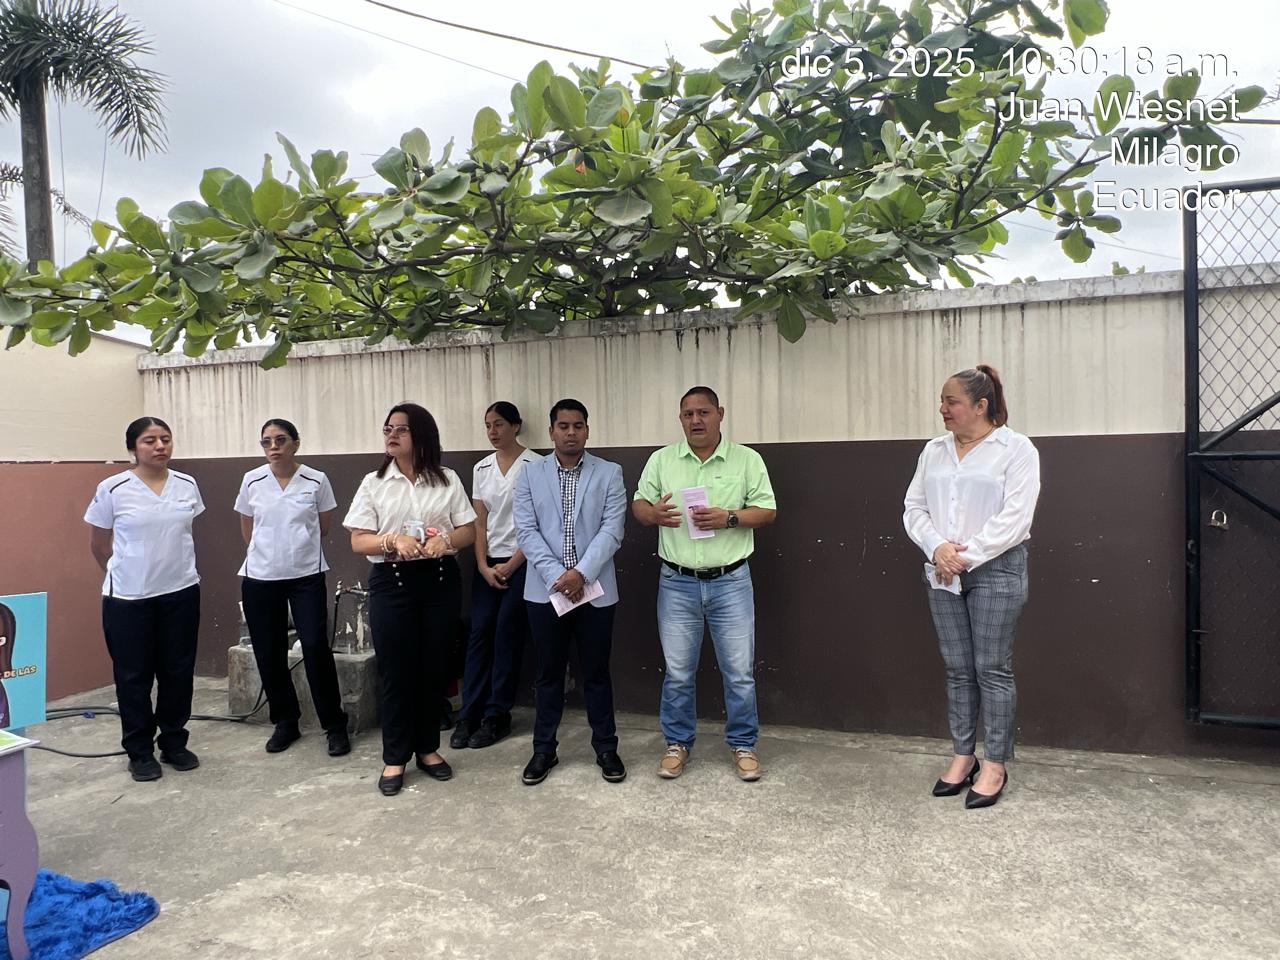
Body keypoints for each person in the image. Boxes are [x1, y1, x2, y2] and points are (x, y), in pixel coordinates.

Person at [903, 365, 1041, 809]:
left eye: (952, 402)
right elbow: (914, 507)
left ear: (981, 406)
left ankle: (995, 763)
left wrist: (963, 556)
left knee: (992, 668)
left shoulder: (1015, 449)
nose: (942, 409)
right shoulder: (934, 450)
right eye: (942, 401)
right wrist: (938, 547)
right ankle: (963, 755)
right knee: (958, 668)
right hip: (942, 569)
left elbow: (1016, 517)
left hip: (995, 570)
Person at [632, 386, 777, 782]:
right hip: (677, 583)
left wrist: (729, 517)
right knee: (678, 672)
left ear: (720, 414)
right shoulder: (662, 460)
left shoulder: (747, 459)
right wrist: (652, 514)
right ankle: (677, 744)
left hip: (731, 582)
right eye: (688, 414)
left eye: (704, 412)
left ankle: (743, 745)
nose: (696, 420)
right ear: (680, 419)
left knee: (739, 672)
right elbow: (639, 504)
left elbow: (767, 510)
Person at [343, 403, 477, 796]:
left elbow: (469, 530)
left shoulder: (446, 479)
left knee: (433, 668)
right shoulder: (374, 483)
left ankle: (428, 749)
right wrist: (391, 541)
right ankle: (395, 757)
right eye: (388, 429)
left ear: (421, 435)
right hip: (393, 582)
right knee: (396, 672)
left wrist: (445, 539)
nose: (392, 435)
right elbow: (358, 540)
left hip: (440, 581)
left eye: (400, 429)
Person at [512, 399, 627, 786]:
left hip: (596, 591)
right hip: (545, 592)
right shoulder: (530, 474)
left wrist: (581, 574)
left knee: (597, 673)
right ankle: (544, 749)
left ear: (587, 430)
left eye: (578, 425)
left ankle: (606, 748)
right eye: (563, 426)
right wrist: (559, 577)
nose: (571, 433)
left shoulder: (609, 472)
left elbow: (612, 530)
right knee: (548, 674)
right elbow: (526, 531)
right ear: (552, 432)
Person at [84, 417, 204, 782]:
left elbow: (183, 534)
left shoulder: (187, 484)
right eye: (150, 440)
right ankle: (139, 751)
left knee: (178, 672)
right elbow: (99, 545)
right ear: (133, 448)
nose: (160, 446)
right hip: (128, 599)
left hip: (181, 592)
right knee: (133, 676)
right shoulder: (113, 488)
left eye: (165, 439)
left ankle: (174, 742)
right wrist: (127, 572)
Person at [235, 418, 350, 757]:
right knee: (269, 650)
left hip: (305, 575)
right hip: (260, 576)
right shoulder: (252, 480)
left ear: (296, 443)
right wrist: (268, 555)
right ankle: (286, 721)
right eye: (266, 441)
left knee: (314, 646)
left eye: (281, 439)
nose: (273, 447)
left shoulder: (316, 480)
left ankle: (334, 724)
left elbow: (323, 527)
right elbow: (248, 528)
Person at [450, 402, 542, 751]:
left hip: (524, 562)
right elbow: (479, 522)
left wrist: (512, 564)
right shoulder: (482, 468)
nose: (493, 431)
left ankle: (497, 715)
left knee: (506, 634)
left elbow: (538, 523)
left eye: (499, 424)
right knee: (479, 633)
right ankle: (469, 713)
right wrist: (483, 565)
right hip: (487, 563)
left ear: (516, 426)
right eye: (488, 425)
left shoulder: (536, 465)